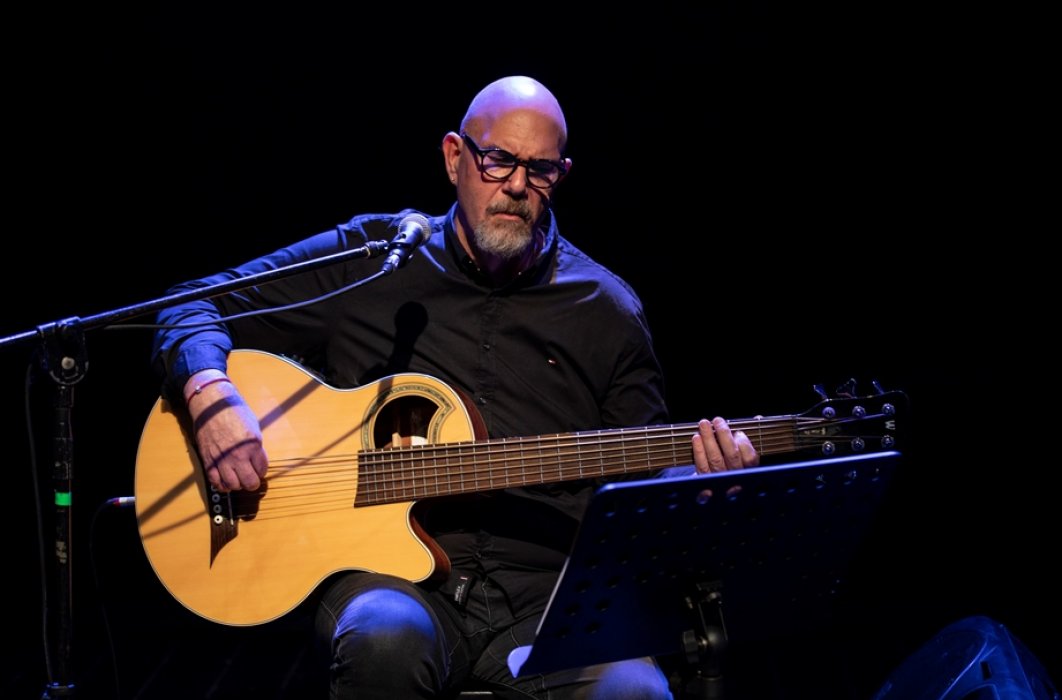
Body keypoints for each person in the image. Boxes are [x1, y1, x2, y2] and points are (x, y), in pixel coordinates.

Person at [151, 75, 759, 700]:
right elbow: (191, 303)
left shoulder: (607, 311)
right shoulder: (374, 261)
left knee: (634, 691)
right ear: (454, 157)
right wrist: (210, 395)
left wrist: (697, 484)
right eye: (498, 160)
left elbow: (644, 473)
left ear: (561, 176)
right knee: (385, 638)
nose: (516, 186)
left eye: (540, 170)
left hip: (547, 599)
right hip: (392, 581)